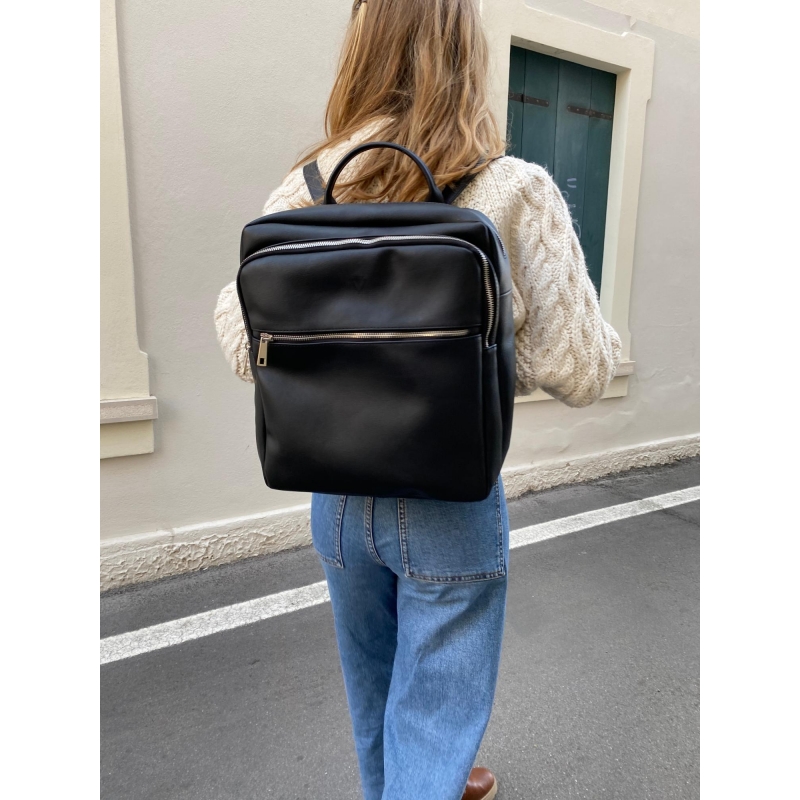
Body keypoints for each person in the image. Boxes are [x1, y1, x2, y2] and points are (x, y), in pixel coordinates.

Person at [215, 1, 621, 797]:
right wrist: (482, 347)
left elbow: (240, 343)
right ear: (467, 51)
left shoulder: (309, 187)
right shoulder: (512, 188)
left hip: (333, 494)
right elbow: (581, 370)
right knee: (432, 721)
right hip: (449, 500)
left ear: (360, 49)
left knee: (375, 703)